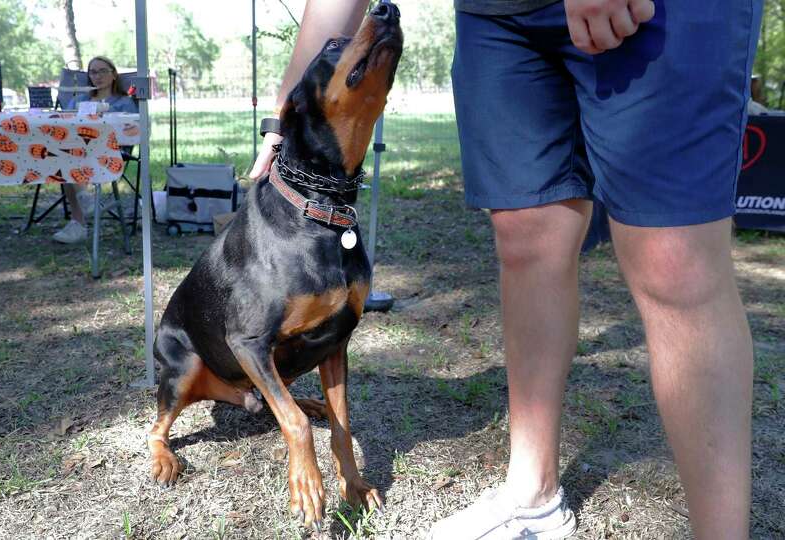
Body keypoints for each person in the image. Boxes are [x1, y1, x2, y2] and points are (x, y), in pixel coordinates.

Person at [249, 1, 760, 539]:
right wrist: (288, 113)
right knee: (526, 237)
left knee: (673, 263)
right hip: (500, 16)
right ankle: (532, 495)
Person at [54, 56, 138, 244]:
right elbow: (62, 122)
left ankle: (78, 221)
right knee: (66, 157)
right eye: (93, 72)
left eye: (102, 71)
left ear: (113, 75)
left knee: (68, 159)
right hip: (77, 149)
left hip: (110, 151)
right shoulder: (80, 99)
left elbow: (132, 130)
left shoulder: (124, 101)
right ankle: (83, 203)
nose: (97, 76)